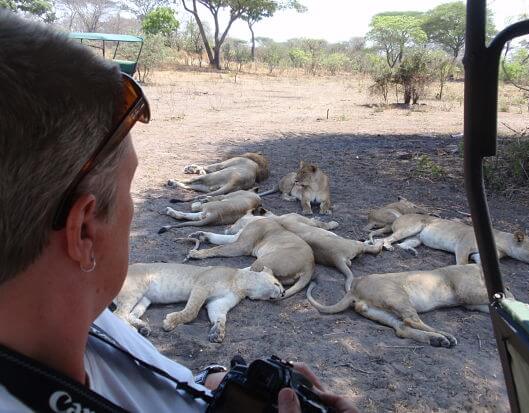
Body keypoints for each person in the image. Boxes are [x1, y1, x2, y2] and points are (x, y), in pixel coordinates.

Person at [0, 10, 358, 413]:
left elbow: (172, 381)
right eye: (130, 190)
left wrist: (218, 383)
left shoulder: (86, 321)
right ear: (84, 232)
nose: (133, 208)